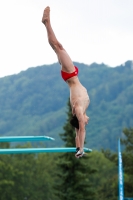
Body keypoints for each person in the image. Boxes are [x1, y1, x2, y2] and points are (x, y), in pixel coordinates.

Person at [42, 6, 90, 158]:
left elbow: (81, 130)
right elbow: (77, 132)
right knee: (57, 48)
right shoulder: (80, 112)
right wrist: (77, 149)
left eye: (83, 122)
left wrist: (81, 149)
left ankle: (47, 23)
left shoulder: (78, 111)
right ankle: (46, 23)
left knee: (58, 46)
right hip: (70, 76)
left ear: (79, 119)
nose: (87, 122)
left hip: (70, 75)